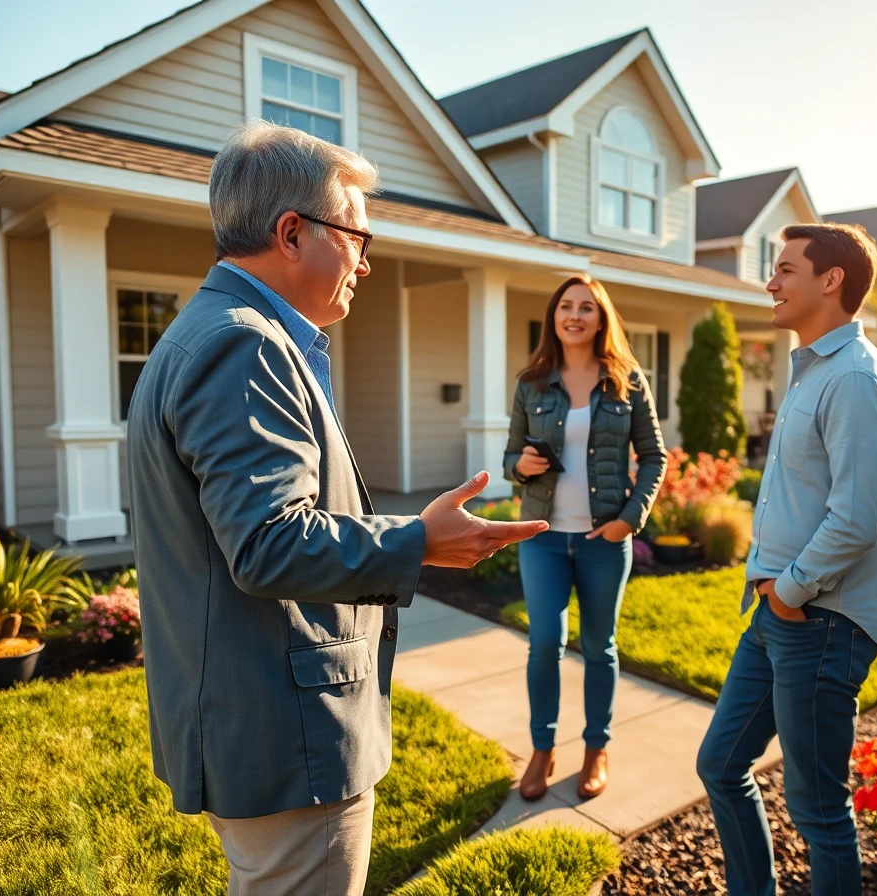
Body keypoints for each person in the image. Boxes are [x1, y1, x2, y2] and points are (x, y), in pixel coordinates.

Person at [126, 120, 547, 896]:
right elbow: (268, 544)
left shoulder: (213, 334)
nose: (366, 261)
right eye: (358, 235)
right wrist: (418, 540)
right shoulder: (243, 344)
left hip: (255, 722)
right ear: (292, 233)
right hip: (290, 740)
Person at [695, 224, 877, 896]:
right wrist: (776, 597)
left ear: (832, 280)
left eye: (785, 268)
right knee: (721, 764)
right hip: (782, 613)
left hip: (819, 620)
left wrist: (789, 593)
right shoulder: (816, 368)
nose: (771, 281)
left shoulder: (852, 378)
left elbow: (855, 519)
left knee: (818, 809)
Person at [502, 274, 667, 802]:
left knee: (599, 647)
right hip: (543, 536)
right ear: (554, 316)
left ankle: (597, 748)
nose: (575, 315)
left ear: (602, 319)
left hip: (603, 540)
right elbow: (511, 458)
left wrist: (630, 518)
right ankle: (543, 749)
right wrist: (521, 466)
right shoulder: (532, 381)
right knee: (544, 644)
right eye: (566, 306)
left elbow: (655, 457)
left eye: (587, 308)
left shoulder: (626, 381)